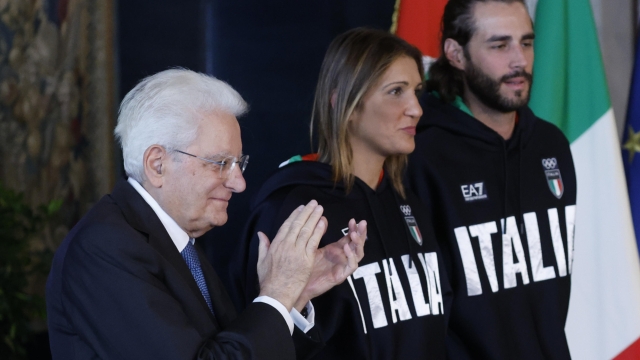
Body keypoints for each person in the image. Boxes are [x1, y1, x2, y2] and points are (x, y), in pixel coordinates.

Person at [46, 69, 366, 360]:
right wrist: (279, 292)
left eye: (239, 164)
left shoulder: (178, 240)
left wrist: (296, 293)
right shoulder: (104, 247)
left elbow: (225, 348)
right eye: (220, 163)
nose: (239, 183)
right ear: (157, 164)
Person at [238, 28, 452, 359]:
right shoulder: (293, 208)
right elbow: (261, 342)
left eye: (417, 91)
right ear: (346, 105)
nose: (416, 109)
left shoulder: (409, 202)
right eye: (396, 91)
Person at [406, 1, 577, 359]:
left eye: (526, 43)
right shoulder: (419, 154)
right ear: (456, 53)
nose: (520, 61)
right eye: (500, 45)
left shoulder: (550, 144)